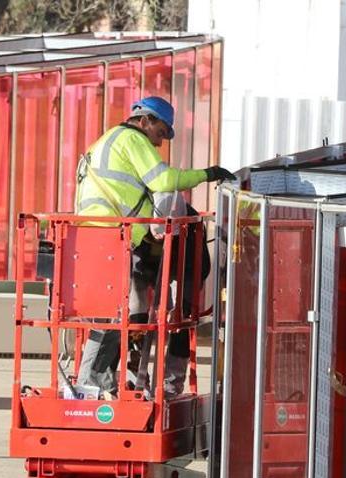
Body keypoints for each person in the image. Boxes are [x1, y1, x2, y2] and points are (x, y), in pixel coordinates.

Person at [73, 95, 234, 397]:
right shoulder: (131, 139)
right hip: (111, 233)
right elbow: (164, 180)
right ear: (145, 120)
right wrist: (207, 174)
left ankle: (95, 383)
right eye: (160, 133)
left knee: (110, 313)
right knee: (114, 314)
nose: (160, 143)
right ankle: (92, 384)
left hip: (96, 235)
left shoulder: (106, 141)